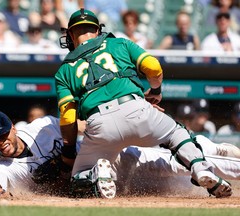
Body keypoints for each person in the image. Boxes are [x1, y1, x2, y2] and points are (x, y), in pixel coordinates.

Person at [55, 8, 232, 199]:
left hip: (100, 125)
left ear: (71, 35)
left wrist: (68, 153)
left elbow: (68, 118)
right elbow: (154, 67)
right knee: (176, 133)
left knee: (77, 181)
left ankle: (94, 173)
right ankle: (200, 168)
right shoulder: (119, 43)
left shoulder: (64, 70)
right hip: (137, 110)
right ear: (97, 30)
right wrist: (155, 91)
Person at [0, 110, 240, 199]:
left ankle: (209, 149)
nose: (2, 143)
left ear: (13, 128)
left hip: (109, 158)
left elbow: (80, 127)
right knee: (175, 182)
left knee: (177, 164)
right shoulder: (2, 168)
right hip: (112, 186)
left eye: (3, 135)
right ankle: (206, 147)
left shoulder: (41, 127)